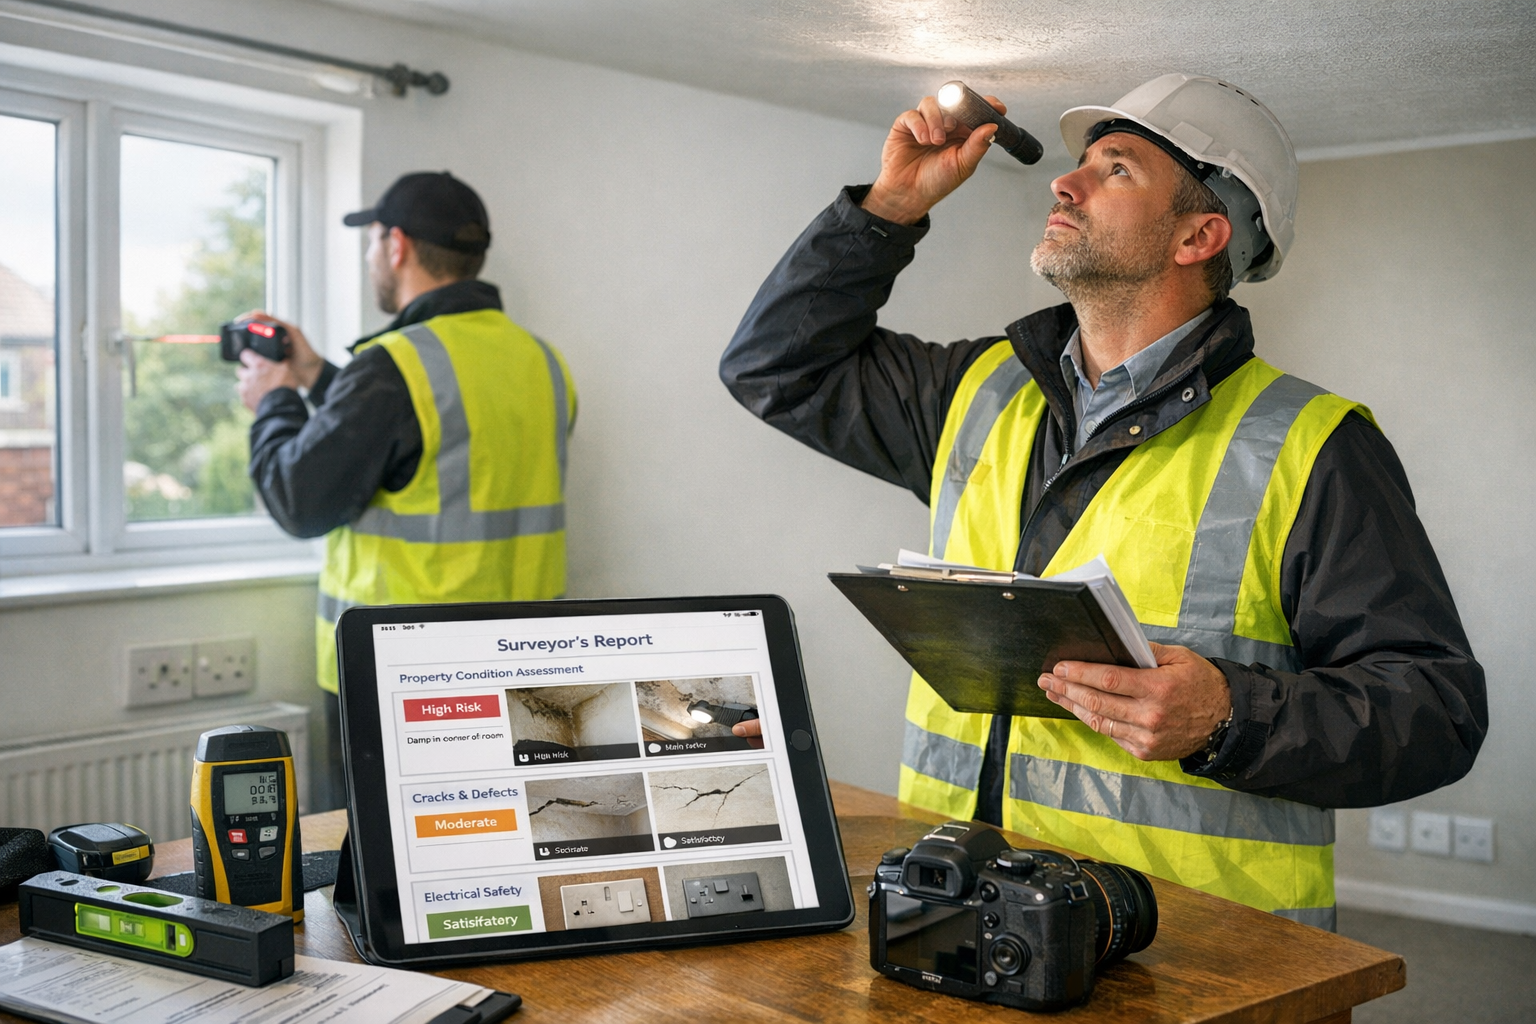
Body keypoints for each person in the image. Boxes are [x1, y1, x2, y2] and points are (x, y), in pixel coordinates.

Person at [719, 74, 1486, 929]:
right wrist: (888, 209)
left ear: (1199, 234)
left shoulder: (1311, 445)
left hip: (1195, 951)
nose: (1064, 182)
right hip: (961, 914)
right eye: (1079, 165)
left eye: (1115, 170)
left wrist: (1229, 714)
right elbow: (777, 369)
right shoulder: (976, 394)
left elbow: (1435, 711)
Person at [237, 171, 576, 809]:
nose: (372, 258)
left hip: (403, 674)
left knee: (392, 861)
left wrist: (274, 398)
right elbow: (430, 442)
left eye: (371, 243)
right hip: (528, 667)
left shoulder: (393, 366)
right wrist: (315, 374)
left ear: (396, 245)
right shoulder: (542, 362)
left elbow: (300, 499)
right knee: (504, 837)